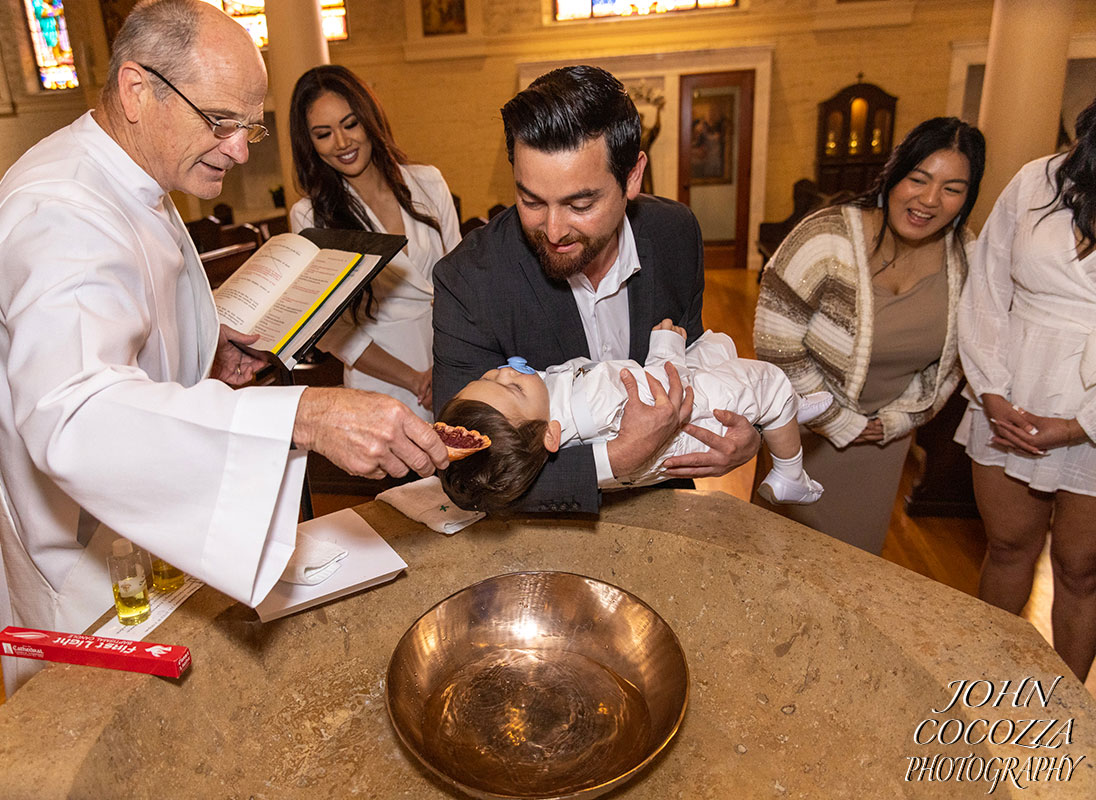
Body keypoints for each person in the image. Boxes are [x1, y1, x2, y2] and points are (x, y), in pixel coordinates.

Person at [0, 0, 446, 694]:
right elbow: (75, 415)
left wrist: (203, 351)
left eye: (249, 125)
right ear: (137, 90)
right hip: (91, 575)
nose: (242, 149)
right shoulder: (58, 211)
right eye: (220, 121)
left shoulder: (133, 180)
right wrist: (302, 415)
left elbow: (121, 333)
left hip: (143, 538)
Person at [433, 65, 760, 515]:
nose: (552, 229)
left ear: (632, 177)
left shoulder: (675, 234)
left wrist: (744, 431)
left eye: (580, 203)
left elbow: (693, 360)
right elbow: (461, 475)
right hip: (542, 534)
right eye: (530, 201)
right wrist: (614, 461)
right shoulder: (468, 280)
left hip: (666, 506)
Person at [753, 116, 985, 554]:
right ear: (894, 174)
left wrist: (897, 421)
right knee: (779, 560)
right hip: (801, 434)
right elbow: (775, 340)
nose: (929, 200)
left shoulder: (967, 258)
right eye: (918, 179)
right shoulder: (827, 235)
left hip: (883, 444)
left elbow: (953, 362)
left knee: (855, 570)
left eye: (953, 189)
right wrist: (838, 422)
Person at [956, 96, 1096, 682]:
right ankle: (982, 693)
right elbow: (986, 284)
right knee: (1009, 548)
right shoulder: (1037, 180)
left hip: (1092, 415)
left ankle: (1066, 715)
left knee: (1081, 568)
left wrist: (1080, 424)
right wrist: (990, 389)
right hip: (1012, 388)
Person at [437, 319, 830, 513]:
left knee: (716, 351)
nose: (505, 370)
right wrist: (667, 345)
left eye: (489, 375)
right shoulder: (589, 402)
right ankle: (789, 470)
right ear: (550, 436)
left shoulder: (542, 407)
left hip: (666, 408)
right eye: (511, 386)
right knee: (768, 384)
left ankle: (787, 417)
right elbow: (662, 390)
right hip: (685, 418)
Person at [289, 65, 460, 421]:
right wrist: (414, 379)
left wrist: (448, 365)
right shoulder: (310, 216)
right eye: (323, 134)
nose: (341, 143)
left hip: (451, 363)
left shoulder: (429, 182)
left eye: (350, 124)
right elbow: (329, 330)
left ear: (370, 119)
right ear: (310, 143)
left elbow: (462, 285)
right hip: (382, 384)